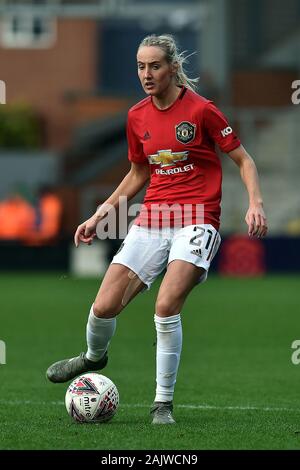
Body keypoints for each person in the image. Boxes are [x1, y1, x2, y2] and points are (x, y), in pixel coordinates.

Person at [46, 34, 268, 424]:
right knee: (102, 308)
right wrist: (100, 215)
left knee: (166, 306)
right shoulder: (136, 116)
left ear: (173, 68)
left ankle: (161, 404)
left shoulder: (202, 111)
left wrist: (255, 203)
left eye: (155, 66)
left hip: (198, 220)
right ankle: (94, 357)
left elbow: (243, 160)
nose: (146, 74)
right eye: (140, 66)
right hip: (152, 220)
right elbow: (138, 173)